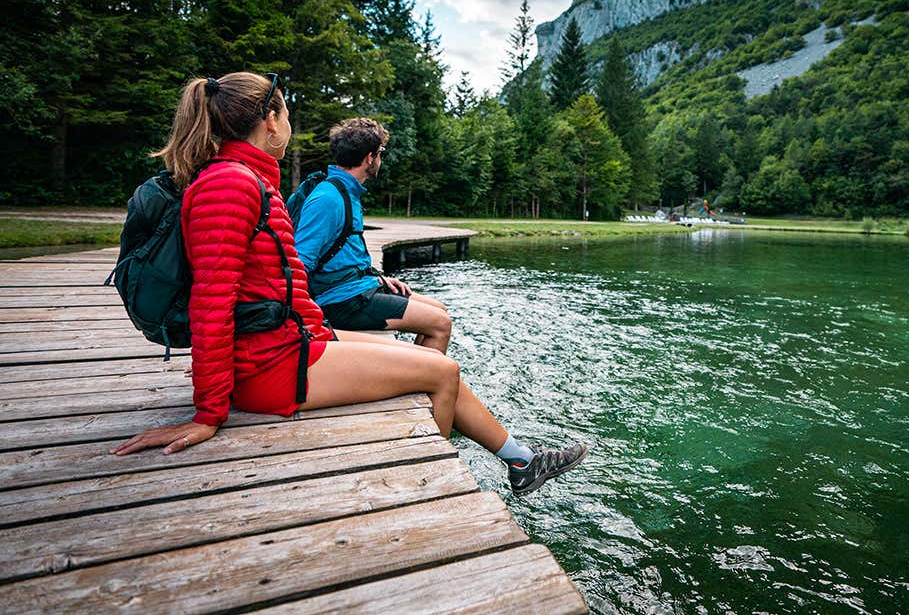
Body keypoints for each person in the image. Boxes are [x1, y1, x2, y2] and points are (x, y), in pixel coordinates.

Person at [111, 72, 587, 497]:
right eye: (288, 115)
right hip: (267, 366)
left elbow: (274, 282)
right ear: (270, 121)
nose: (291, 126)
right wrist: (208, 413)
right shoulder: (230, 185)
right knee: (442, 372)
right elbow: (211, 304)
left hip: (288, 341)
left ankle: (522, 461)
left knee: (430, 360)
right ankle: (427, 493)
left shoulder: (247, 178)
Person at [293, 118, 451, 353]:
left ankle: (423, 371)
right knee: (440, 324)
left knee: (440, 310)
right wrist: (307, 321)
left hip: (359, 287)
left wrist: (375, 276)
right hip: (341, 300)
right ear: (369, 157)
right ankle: (427, 376)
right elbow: (299, 263)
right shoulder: (328, 198)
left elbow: (343, 252)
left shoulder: (347, 190)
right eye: (380, 152)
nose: (380, 158)